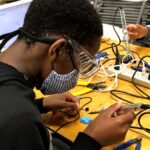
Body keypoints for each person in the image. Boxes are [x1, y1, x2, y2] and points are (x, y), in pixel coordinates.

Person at [0, 0, 135, 150]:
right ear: (58, 50)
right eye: (80, 63)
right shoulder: (19, 122)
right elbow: (13, 121)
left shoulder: (12, 96)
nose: (76, 74)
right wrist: (92, 140)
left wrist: (39, 105)